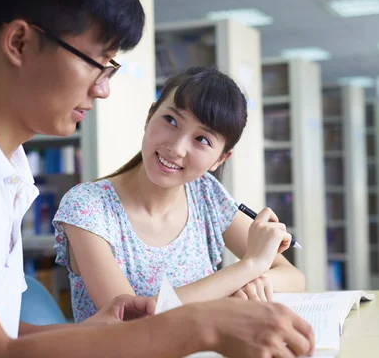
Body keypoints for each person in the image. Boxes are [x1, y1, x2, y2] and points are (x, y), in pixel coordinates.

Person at [0, 0, 314, 357]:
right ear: (19, 43)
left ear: (223, 156)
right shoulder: (56, 197)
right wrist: (202, 324)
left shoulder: (8, 174)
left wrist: (97, 332)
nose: (102, 89)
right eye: (96, 63)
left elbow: (5, 337)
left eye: (110, 69)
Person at [53, 67, 305, 322]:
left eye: (202, 139)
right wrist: (249, 267)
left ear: (220, 158)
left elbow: (294, 277)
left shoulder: (205, 193)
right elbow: (132, 321)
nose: (176, 148)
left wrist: (255, 282)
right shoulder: (87, 206)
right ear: (150, 116)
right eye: (171, 121)